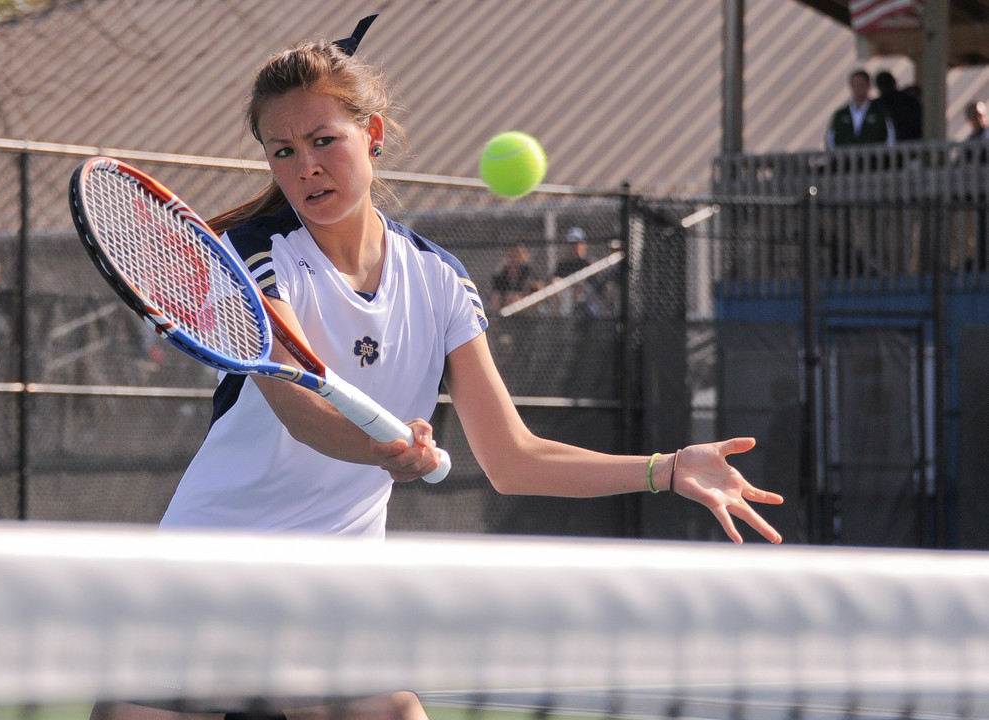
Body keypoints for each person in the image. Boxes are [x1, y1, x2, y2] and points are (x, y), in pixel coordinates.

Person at [90, 15, 783, 720]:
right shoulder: (254, 255)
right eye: (284, 151)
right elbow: (300, 408)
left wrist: (665, 469)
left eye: (325, 140)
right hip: (205, 583)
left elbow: (515, 460)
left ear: (374, 135)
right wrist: (380, 450)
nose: (307, 167)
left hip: (331, 599)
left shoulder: (441, 282)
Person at [826, 69, 895, 149]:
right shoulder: (841, 114)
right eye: (855, 85)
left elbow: (891, 139)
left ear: (868, 86)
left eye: (861, 84)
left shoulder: (880, 112)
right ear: (850, 86)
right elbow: (831, 141)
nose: (858, 88)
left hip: (875, 160)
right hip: (847, 160)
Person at [488, 243, 539, 313]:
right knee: (496, 298)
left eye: (515, 256)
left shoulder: (526, 270)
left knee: (512, 297)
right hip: (505, 297)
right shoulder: (504, 270)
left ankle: (514, 321)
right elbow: (496, 287)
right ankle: (495, 320)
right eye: (510, 256)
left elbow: (533, 287)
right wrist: (499, 272)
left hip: (524, 297)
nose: (512, 259)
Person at [874, 70, 921, 142]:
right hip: (912, 143)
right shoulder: (910, 100)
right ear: (894, 82)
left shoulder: (877, 105)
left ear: (878, 86)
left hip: (888, 147)